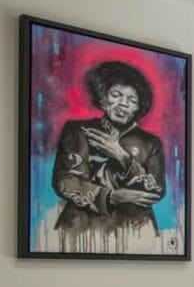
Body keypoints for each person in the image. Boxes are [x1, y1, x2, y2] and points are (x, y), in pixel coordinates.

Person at [51, 60, 167, 251]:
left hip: (136, 232)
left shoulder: (151, 143)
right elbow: (64, 181)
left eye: (132, 100)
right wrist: (111, 197)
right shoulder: (77, 131)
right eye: (116, 95)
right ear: (103, 99)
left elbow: (156, 191)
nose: (124, 104)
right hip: (80, 230)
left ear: (138, 108)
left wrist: (122, 156)